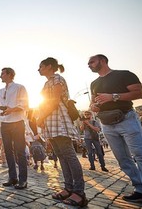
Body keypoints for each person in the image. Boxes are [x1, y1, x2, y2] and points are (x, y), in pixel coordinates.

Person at [88, 54, 142, 202]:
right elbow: (93, 104)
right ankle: (140, 189)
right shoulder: (94, 83)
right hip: (106, 124)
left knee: (140, 155)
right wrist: (94, 106)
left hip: (127, 119)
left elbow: (139, 93)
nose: (89, 64)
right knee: (123, 159)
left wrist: (112, 97)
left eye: (92, 62)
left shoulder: (124, 75)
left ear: (103, 61)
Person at [36, 57, 87, 207]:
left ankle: (79, 192)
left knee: (69, 155)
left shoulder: (57, 78)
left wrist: (41, 117)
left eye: (40, 66)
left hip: (59, 120)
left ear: (49, 66)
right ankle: (68, 187)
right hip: (51, 122)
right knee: (61, 155)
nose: (38, 69)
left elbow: (54, 100)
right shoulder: (47, 82)